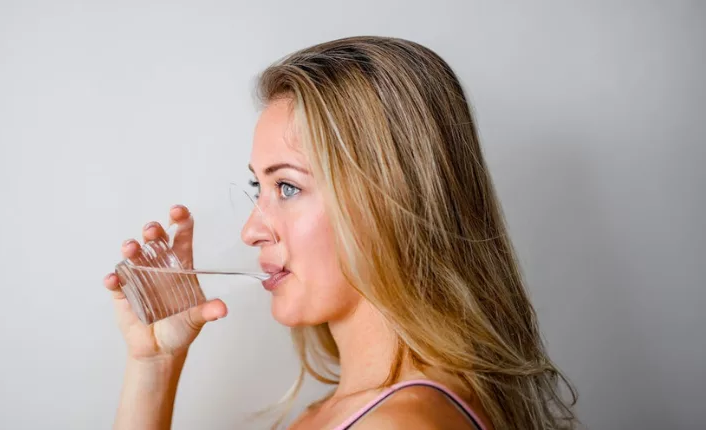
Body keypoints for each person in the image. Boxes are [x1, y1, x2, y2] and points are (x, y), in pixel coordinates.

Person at [103, 36, 578, 430]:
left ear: (389, 199)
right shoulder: (344, 413)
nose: (251, 230)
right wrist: (155, 364)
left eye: (287, 186)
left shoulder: (399, 425)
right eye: (258, 187)